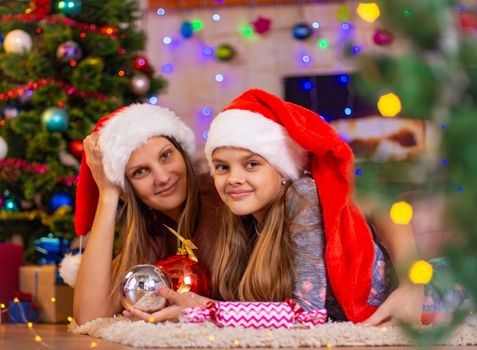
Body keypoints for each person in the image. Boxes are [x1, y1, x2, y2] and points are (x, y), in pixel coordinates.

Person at [127, 89, 466, 326]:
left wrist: (203, 311)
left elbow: (308, 315)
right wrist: (193, 307)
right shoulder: (243, 221)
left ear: (282, 169)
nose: (233, 179)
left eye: (252, 164)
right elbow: (263, 311)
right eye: (222, 167)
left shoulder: (303, 196)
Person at [72, 104, 223, 325]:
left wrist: (206, 310)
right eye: (140, 171)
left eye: (166, 155)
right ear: (127, 189)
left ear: (181, 152)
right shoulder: (152, 231)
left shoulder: (223, 199)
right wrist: (108, 194)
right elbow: (89, 316)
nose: (162, 177)